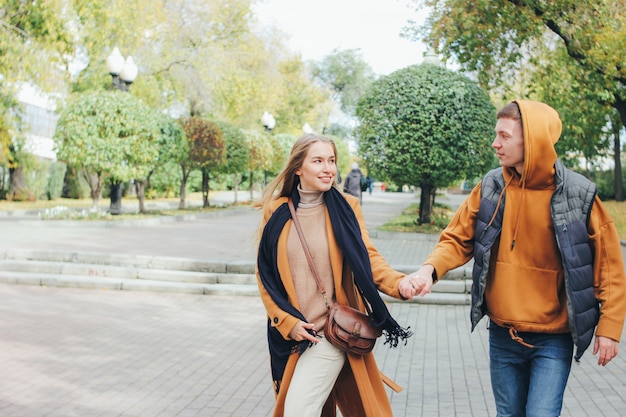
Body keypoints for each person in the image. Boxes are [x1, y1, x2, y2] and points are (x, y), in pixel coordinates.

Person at [407, 100, 626, 416]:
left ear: (533, 139)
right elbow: (456, 238)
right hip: (503, 333)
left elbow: (608, 266)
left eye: (504, 136)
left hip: (554, 338)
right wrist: (428, 270)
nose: (495, 143)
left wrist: (609, 327)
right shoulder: (492, 186)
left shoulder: (579, 193)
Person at [255, 133, 414, 417]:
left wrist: (398, 283)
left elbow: (368, 258)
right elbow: (265, 273)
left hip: (331, 331)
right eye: (318, 161)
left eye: (332, 160)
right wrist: (287, 322)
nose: (328, 168)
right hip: (293, 335)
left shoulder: (346, 207)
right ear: (298, 168)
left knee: (297, 411)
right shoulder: (276, 211)